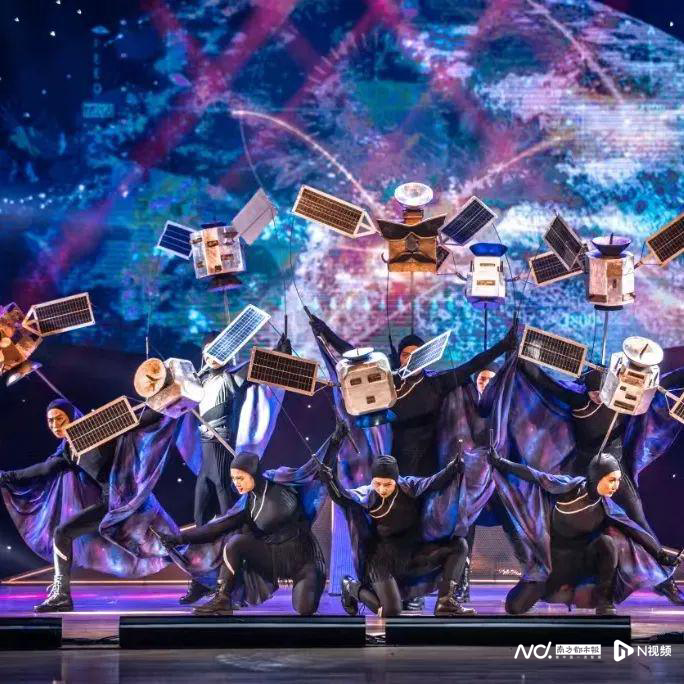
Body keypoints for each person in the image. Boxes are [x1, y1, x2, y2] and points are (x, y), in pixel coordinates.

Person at [518, 360, 684, 605]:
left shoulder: (624, 397)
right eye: (594, 392)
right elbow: (545, 383)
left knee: (638, 523)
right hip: (586, 473)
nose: (599, 397)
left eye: (602, 391)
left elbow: (661, 384)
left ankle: (664, 581)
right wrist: (522, 361)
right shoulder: (579, 400)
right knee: (568, 528)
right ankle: (554, 581)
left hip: (617, 471)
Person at [0, 398, 166, 612]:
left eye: (60, 419)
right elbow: (43, 470)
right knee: (62, 533)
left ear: (71, 417)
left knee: (168, 546)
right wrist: (5, 477)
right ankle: (62, 595)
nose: (55, 425)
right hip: (110, 505)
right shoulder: (69, 451)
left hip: (132, 501)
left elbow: (144, 419)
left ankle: (204, 578)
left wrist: (164, 400)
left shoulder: (95, 429)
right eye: (50, 421)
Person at [309, 314, 517, 477]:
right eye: (405, 354)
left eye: (415, 354)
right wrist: (325, 331)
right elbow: (356, 359)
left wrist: (503, 345)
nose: (409, 359)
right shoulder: (388, 381)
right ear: (399, 358)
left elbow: (472, 365)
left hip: (429, 460)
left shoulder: (437, 383)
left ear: (425, 356)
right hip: (394, 457)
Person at [488, 448, 681, 615]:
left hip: (582, 564)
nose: (616, 486)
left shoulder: (607, 506)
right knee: (514, 607)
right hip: (552, 565)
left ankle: (605, 602)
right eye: (611, 480)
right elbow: (534, 476)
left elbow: (634, 530)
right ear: (597, 476)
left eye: (618, 480)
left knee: (608, 543)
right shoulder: (567, 486)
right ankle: (548, 591)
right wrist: (501, 463)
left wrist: (660, 554)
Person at [318, 423, 474, 618]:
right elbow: (342, 497)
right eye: (378, 483)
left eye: (388, 484)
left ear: (396, 480)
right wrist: (331, 473)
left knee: (459, 546)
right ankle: (351, 587)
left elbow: (434, 482)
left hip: (412, 552)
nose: (382, 489)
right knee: (390, 611)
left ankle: (445, 602)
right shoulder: (367, 494)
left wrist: (452, 469)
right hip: (380, 561)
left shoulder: (409, 486)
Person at [180, 331, 290, 605]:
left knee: (227, 522)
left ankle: (230, 586)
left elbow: (262, 370)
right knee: (200, 520)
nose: (212, 356)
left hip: (223, 455)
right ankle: (200, 581)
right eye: (208, 351)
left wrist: (280, 353)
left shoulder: (233, 377)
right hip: (206, 460)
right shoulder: (200, 379)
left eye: (218, 350)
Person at [159, 445, 329, 616]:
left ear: (253, 473)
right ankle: (222, 599)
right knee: (236, 543)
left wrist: (335, 442)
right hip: (271, 559)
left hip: (300, 562)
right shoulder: (248, 504)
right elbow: (216, 528)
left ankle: (319, 579)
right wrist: (179, 539)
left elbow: (315, 468)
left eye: (240, 478)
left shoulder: (282, 490)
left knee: (304, 609)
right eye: (233, 478)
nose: (236, 483)